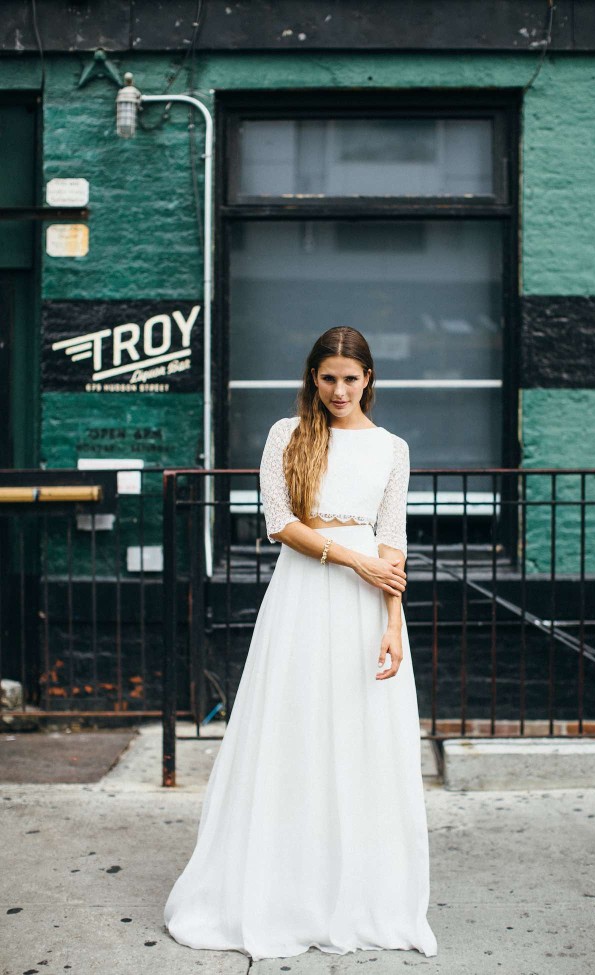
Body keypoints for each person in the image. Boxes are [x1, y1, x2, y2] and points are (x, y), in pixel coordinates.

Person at [163, 326, 438, 961]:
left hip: (369, 603)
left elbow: (391, 539)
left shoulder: (392, 448)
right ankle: (284, 890)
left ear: (369, 378)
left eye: (350, 377)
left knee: (361, 737)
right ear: (313, 380)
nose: (339, 389)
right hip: (306, 594)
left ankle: (358, 893)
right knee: (296, 733)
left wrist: (393, 622)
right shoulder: (288, 436)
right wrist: (353, 560)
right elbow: (279, 521)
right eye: (328, 377)